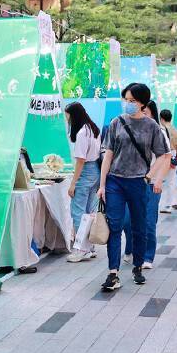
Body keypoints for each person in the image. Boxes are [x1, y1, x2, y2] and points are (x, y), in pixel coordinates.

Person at [98, 83, 170, 291]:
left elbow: (164, 154)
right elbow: (108, 155)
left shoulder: (152, 127)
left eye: (132, 101)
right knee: (115, 226)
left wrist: (150, 176)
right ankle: (113, 273)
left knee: (139, 227)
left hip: (139, 183)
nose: (128, 104)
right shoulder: (116, 123)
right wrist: (102, 185)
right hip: (115, 181)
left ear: (143, 103)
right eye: (126, 100)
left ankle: (137, 266)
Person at [122, 101, 171, 269]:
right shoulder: (128, 128)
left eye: (146, 112)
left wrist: (158, 179)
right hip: (130, 182)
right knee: (127, 221)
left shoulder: (159, 130)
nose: (143, 116)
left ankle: (147, 256)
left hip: (150, 183)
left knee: (148, 221)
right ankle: (130, 248)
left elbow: (166, 157)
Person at [64, 102, 101, 263]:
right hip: (95, 171)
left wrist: (73, 183)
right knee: (88, 212)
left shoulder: (81, 133)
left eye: (68, 116)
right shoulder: (93, 129)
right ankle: (89, 247)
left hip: (85, 171)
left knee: (78, 212)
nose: (67, 120)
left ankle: (81, 249)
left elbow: (80, 160)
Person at [158, 109, 177, 214]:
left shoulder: (161, 129)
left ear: (161, 118)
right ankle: (170, 203)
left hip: (164, 156)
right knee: (171, 181)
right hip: (174, 154)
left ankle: (162, 204)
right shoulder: (175, 130)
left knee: (159, 180)